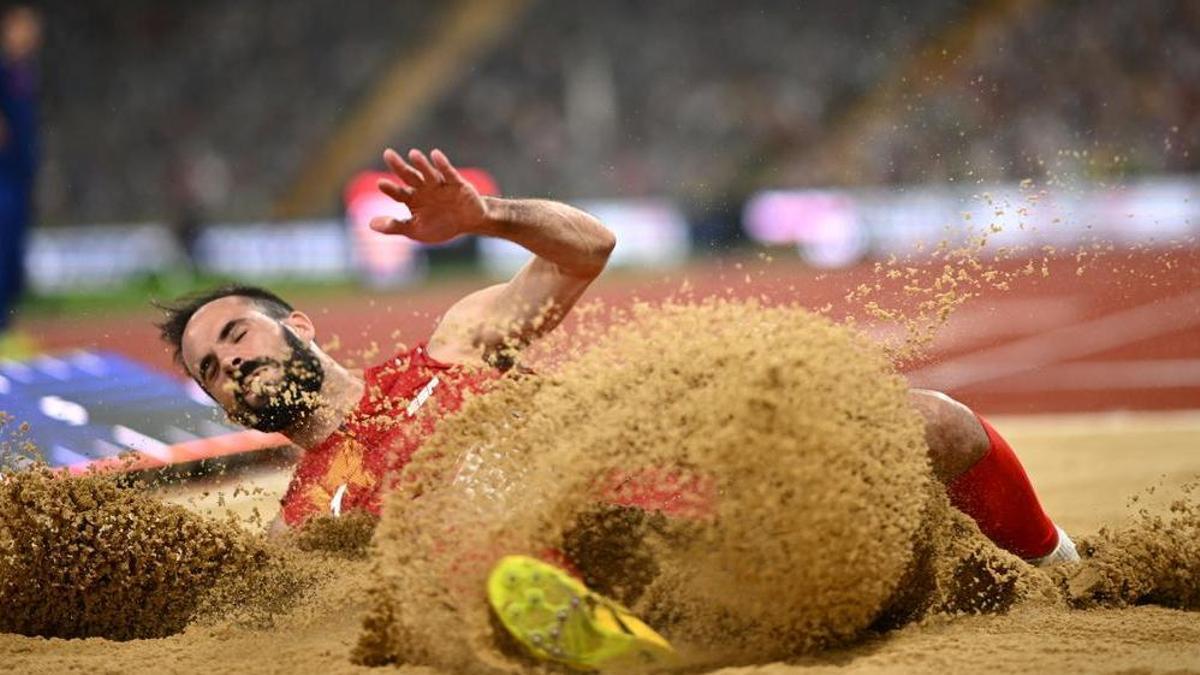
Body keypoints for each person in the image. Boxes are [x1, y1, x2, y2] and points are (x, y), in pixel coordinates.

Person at [156, 147, 1077, 670]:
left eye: (235, 336)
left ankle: (1068, 570)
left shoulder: (454, 345)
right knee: (474, 561)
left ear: (298, 327)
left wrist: (484, 217)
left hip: (696, 510)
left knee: (939, 422)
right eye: (210, 371)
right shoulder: (305, 518)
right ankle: (602, 636)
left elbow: (585, 249)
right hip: (600, 590)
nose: (230, 366)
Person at [0, 5, 40, 356]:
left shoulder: (22, 71)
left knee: (13, 255)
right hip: (4, 177)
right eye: (24, 27)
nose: (30, 34)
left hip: (20, 175)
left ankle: (8, 328)